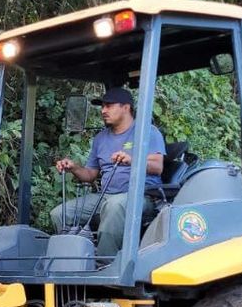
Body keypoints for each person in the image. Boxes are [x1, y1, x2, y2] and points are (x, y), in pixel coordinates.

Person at [52, 86, 165, 257]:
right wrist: (73, 167)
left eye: (109, 106)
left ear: (126, 107)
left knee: (114, 206)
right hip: (105, 196)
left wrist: (132, 160)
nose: (103, 111)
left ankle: (105, 264)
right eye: (102, 106)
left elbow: (157, 167)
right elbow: (90, 175)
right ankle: (73, 259)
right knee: (60, 214)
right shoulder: (100, 138)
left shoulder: (147, 131)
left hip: (141, 196)